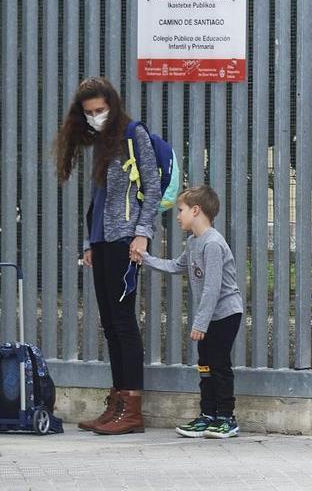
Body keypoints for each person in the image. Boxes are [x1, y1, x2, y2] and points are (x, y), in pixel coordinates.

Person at [54, 77, 160, 434]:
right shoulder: (103, 142)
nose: (95, 117)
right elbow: (99, 199)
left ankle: (131, 408)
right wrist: (89, 242)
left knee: (124, 321)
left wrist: (142, 235)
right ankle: (117, 403)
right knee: (111, 324)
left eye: (100, 110)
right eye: (89, 112)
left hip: (125, 240)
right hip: (102, 241)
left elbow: (152, 187)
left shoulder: (133, 134)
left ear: (113, 106)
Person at [132, 185, 245, 439]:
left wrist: (201, 323)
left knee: (219, 364)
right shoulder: (194, 242)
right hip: (209, 316)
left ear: (196, 210)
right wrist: (145, 258)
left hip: (225, 314)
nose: (178, 215)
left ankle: (227, 418)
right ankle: (208, 415)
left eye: (180, 210)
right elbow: (176, 266)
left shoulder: (213, 244)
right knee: (204, 365)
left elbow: (213, 289)